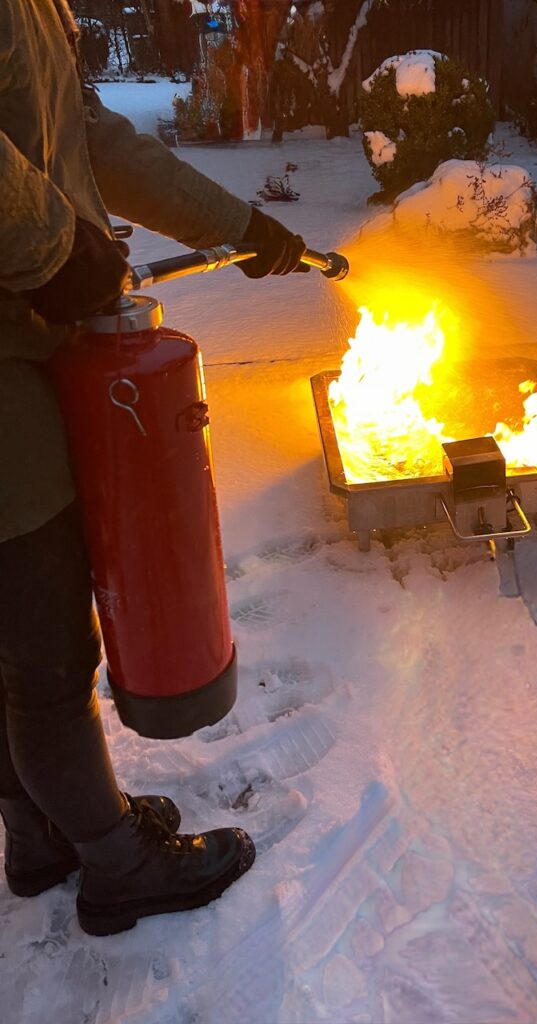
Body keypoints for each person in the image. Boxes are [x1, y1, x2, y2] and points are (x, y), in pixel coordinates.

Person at [0, 0, 306, 935]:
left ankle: (44, 833)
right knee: (45, 649)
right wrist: (57, 251)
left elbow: (81, 134)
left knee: (18, 631)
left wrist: (240, 225)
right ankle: (117, 865)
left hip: (24, 332)